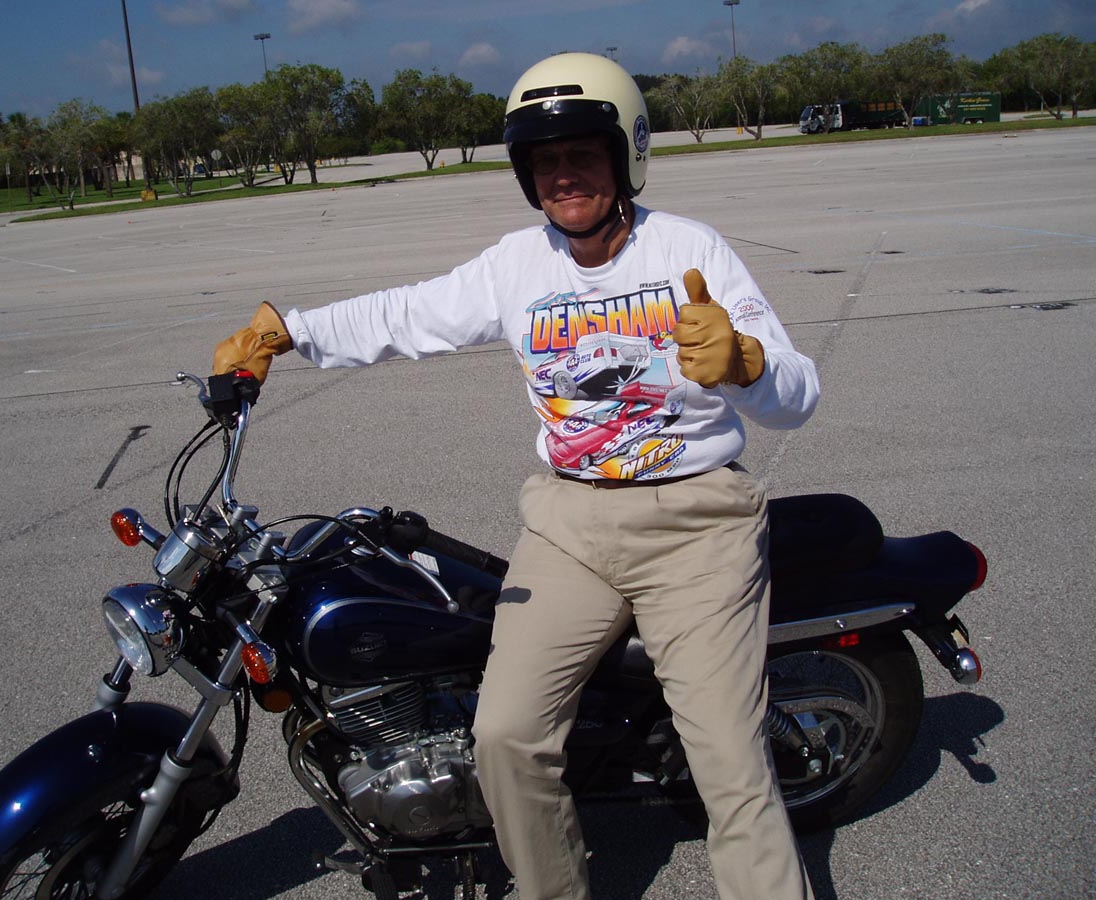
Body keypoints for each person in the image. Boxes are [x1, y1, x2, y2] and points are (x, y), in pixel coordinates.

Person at [215, 52, 818, 900]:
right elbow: (410, 313)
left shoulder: (691, 249)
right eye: (544, 160)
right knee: (503, 736)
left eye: (583, 154)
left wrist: (747, 363)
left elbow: (799, 395)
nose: (564, 175)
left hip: (697, 525)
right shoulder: (517, 264)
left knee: (730, 761)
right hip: (570, 528)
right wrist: (289, 331)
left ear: (626, 155)